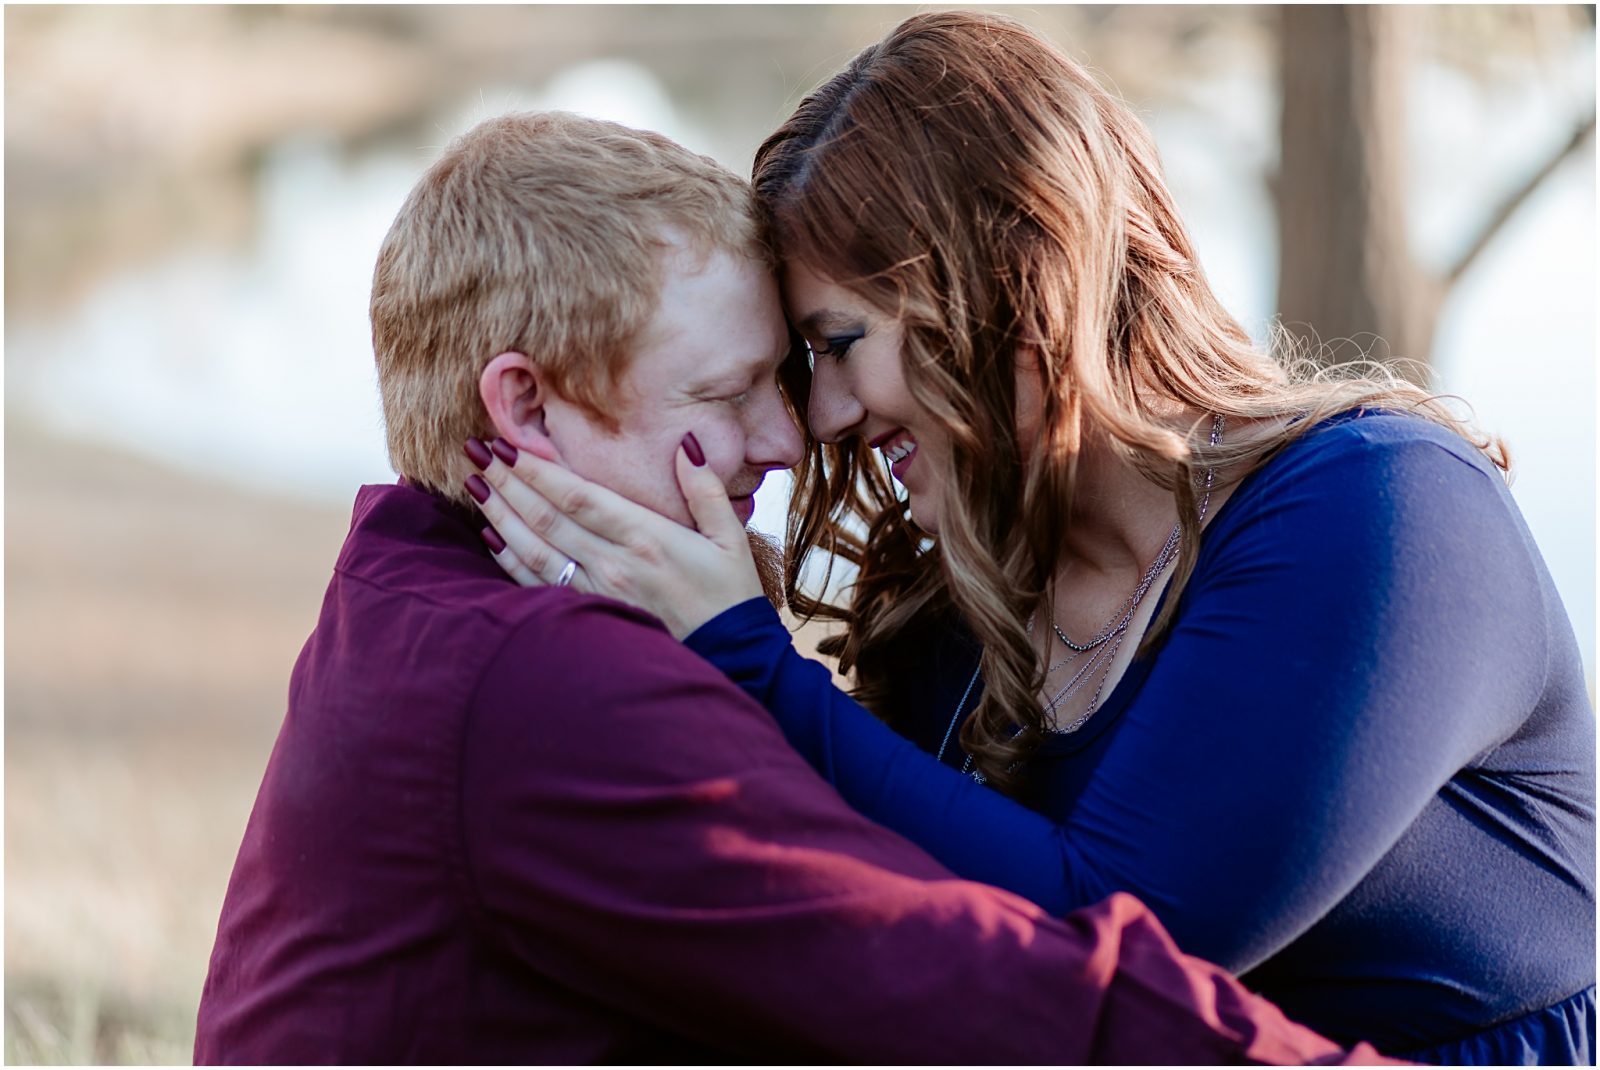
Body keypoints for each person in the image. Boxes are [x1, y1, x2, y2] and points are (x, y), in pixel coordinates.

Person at [467, 11, 1595, 1065]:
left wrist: (744, 654)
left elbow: (1118, 944)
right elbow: (896, 916)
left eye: (842, 339)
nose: (823, 417)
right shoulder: (959, 589)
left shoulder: (1378, 510)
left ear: (1014, 280)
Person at [191, 110, 1391, 1065]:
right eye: (723, 395)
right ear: (526, 406)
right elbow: (964, 982)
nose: (790, 435)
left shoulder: (411, 591)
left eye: (791, 372)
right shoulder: (551, 683)